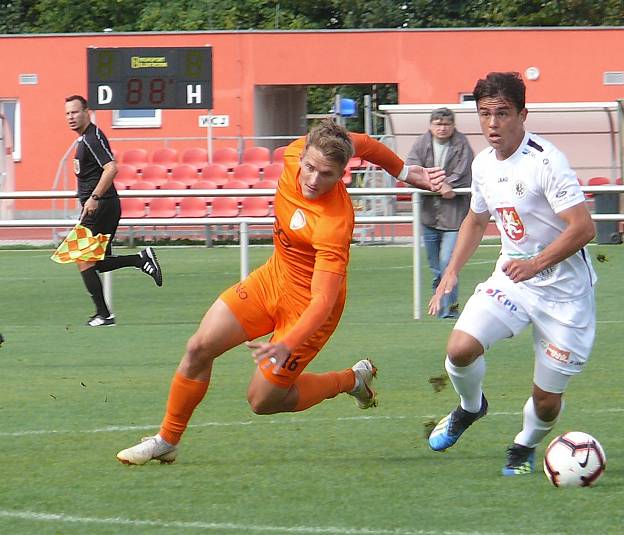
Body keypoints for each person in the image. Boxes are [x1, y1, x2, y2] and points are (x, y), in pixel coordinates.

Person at [117, 119, 447, 465]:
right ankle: (167, 440)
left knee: (263, 401)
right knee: (199, 347)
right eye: (310, 168)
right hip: (273, 279)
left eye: (327, 175)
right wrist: (404, 170)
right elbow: (362, 141)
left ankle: (351, 379)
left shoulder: (334, 223)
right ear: (301, 155)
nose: (314, 180)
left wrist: (286, 343)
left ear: (342, 175)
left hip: (310, 310)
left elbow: (323, 300)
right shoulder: (293, 153)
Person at [426, 72, 597, 476]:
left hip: (565, 297)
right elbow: (475, 218)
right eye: (484, 114)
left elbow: (583, 227)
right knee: (460, 348)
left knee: (546, 400)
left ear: (523, 114)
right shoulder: (484, 164)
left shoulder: (546, 162)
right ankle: (470, 408)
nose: (492, 123)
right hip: (512, 282)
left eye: (502, 113)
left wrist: (536, 264)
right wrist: (451, 272)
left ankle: (524, 445)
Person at [64, 95, 163, 327]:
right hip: (103, 205)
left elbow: (111, 168)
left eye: (75, 112)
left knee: (82, 259)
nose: (70, 117)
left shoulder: (91, 138)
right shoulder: (86, 139)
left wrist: (94, 198)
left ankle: (104, 314)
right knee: (96, 262)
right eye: (67, 113)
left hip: (101, 205)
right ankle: (140, 259)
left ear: (86, 112)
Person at [405, 108, 474, 319]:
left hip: (454, 217)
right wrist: (434, 185)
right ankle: (440, 293)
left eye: (446, 124)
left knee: (448, 263)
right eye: (438, 124)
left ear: (453, 126)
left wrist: (447, 185)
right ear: (430, 125)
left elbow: (464, 171)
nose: (442, 128)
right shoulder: (421, 143)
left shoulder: (462, 144)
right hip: (429, 216)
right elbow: (410, 167)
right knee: (436, 268)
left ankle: (450, 310)